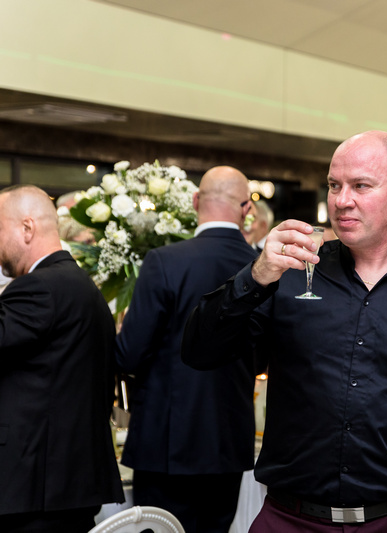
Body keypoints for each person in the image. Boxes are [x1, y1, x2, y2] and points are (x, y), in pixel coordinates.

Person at [182, 130, 387, 533]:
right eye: (335, 185)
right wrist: (256, 275)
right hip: (289, 519)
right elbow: (200, 352)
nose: (341, 200)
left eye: (360, 186)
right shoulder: (290, 275)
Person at [116, 167, 260, 533]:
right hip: (228, 441)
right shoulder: (261, 269)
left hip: (166, 440)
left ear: (196, 201)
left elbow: (129, 354)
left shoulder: (165, 261)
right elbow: (261, 355)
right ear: (246, 209)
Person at [0, 185, 124, 532]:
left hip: (37, 489)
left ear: (27, 228)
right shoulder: (80, 285)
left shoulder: (41, 286)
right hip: (66, 485)